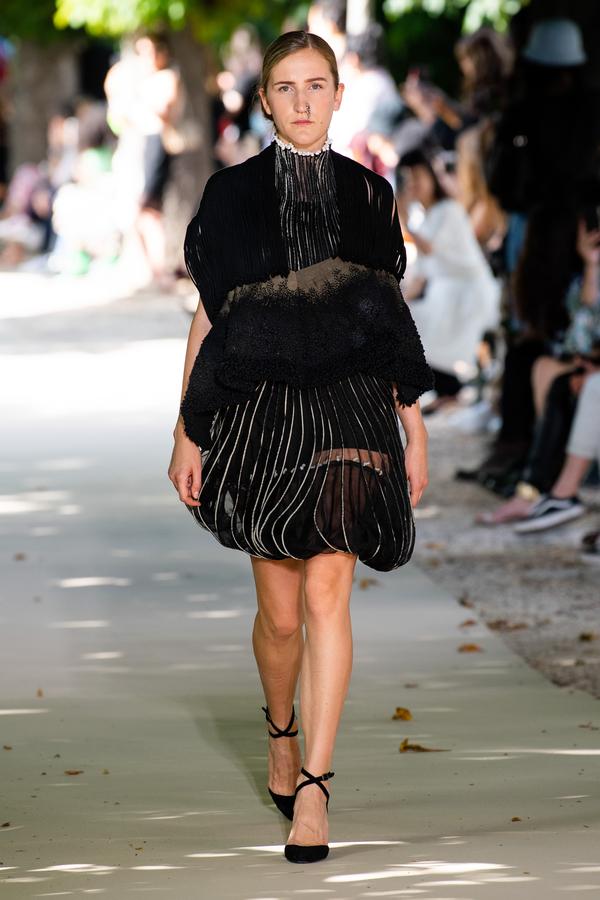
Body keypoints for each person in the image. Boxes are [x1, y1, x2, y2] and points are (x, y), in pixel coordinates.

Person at [167, 31, 433, 864]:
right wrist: (186, 426)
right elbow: (211, 314)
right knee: (280, 619)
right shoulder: (232, 194)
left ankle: (315, 787)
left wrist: (414, 424)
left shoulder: (370, 195)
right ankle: (280, 729)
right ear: (265, 101)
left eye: (318, 85)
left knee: (328, 593)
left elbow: (386, 318)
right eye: (287, 87)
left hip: (352, 407)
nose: (304, 101)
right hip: (263, 408)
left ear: (339, 95)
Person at [398, 148, 500, 412]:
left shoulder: (449, 210)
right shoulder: (428, 217)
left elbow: (430, 248)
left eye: (418, 176)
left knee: (423, 325)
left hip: (469, 292)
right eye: (408, 179)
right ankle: (446, 389)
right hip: (447, 294)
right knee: (410, 320)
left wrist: (405, 220)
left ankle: (451, 389)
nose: (414, 184)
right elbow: (422, 274)